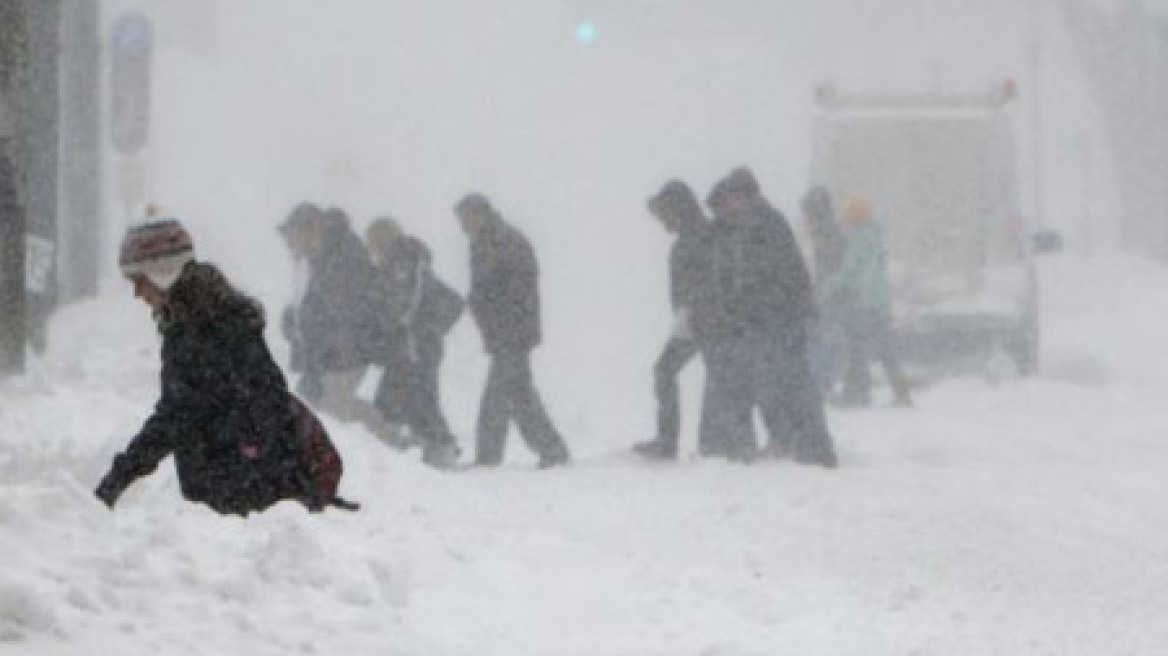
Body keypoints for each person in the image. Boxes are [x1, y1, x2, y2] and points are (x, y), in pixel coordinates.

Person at [94, 217, 357, 515]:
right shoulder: (211, 315)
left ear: (161, 272)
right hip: (252, 480)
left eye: (139, 281)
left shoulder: (200, 329)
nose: (137, 293)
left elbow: (176, 415)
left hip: (242, 488)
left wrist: (115, 481)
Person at [701, 167, 837, 467]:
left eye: (732, 198)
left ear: (746, 195)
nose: (729, 206)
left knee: (794, 383)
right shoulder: (755, 224)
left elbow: (775, 273)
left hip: (781, 317)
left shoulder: (767, 224)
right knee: (778, 383)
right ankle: (793, 441)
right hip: (773, 317)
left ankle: (812, 446)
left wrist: (748, 304)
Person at [454, 193, 571, 469]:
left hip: (512, 331)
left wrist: (501, 322)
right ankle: (551, 449)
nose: (462, 227)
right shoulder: (488, 241)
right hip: (505, 331)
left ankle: (491, 456)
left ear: (479, 214)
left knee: (499, 394)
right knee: (518, 393)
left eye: (464, 219)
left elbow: (515, 289)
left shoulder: (503, 241)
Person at [278, 203, 404, 446]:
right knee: (315, 406)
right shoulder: (322, 256)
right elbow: (318, 307)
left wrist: (319, 336)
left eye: (292, 237)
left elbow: (346, 310)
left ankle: (393, 439)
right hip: (328, 351)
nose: (290, 245)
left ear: (311, 229)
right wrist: (296, 323)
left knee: (335, 406)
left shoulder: (341, 255)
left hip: (348, 348)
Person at [365, 216, 463, 468]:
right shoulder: (409, 261)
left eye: (374, 242)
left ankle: (439, 446)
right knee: (407, 397)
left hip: (414, 346)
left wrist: (398, 328)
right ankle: (421, 446)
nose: (371, 248)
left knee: (417, 399)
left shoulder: (402, 263)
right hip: (415, 345)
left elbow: (403, 305)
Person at [632, 179, 713, 460]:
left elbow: (703, 282)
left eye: (664, 214)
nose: (661, 221)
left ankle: (671, 442)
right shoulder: (697, 234)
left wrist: (689, 313)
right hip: (698, 320)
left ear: (677, 208)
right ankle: (680, 442)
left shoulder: (697, 237)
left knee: (666, 372)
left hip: (702, 322)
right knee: (717, 379)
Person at [817, 198, 912, 407]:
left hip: (862, 302)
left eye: (847, 216)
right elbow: (876, 270)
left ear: (855, 218)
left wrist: (824, 290)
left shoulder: (857, 237)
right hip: (880, 301)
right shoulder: (875, 236)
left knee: (858, 349)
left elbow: (848, 271)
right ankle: (902, 392)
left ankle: (857, 394)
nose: (844, 220)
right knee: (887, 349)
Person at [801, 185, 848, 397]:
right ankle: (821, 385)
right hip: (827, 295)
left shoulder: (827, 233)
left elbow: (835, 268)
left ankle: (820, 386)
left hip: (829, 297)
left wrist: (822, 291)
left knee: (821, 342)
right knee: (823, 342)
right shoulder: (828, 231)